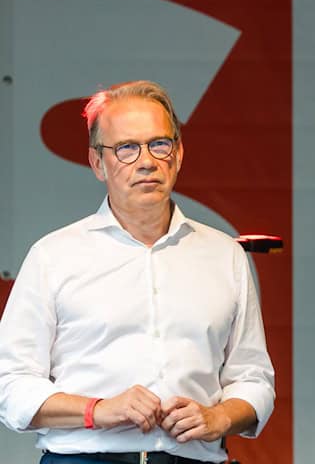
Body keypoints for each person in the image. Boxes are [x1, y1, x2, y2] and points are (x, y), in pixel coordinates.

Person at [0, 81, 275, 464]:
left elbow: (254, 378)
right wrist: (97, 410)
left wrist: (219, 416)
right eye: (126, 148)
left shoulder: (224, 255)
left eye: (158, 144)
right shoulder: (53, 256)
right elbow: (10, 385)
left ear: (178, 154)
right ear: (98, 163)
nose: (146, 161)